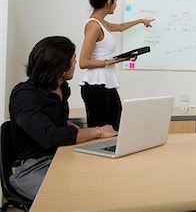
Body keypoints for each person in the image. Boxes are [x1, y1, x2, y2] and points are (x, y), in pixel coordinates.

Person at [9, 36, 117, 200]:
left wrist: (66, 124)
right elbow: (49, 136)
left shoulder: (61, 88)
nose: (75, 63)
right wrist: (99, 131)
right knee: (74, 198)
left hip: (60, 156)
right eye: (73, 59)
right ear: (59, 66)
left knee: (102, 180)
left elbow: (49, 121)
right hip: (31, 168)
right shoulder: (24, 95)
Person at [79, 0, 154, 130]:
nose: (116, 4)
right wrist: (113, 61)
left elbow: (120, 27)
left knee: (114, 123)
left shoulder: (102, 23)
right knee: (100, 129)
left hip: (105, 82)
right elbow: (83, 62)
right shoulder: (93, 25)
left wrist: (140, 21)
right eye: (116, 1)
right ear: (109, 1)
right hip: (95, 83)